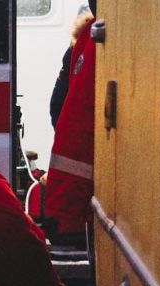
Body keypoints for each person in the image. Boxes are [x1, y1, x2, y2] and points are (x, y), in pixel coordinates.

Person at [44, 2, 97, 245]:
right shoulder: (92, 41)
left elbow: (57, 105)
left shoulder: (83, 42)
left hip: (69, 201)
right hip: (79, 203)